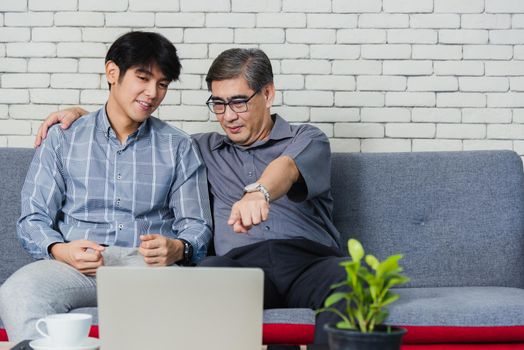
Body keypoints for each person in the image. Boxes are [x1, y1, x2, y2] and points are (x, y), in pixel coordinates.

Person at [33, 48, 346, 346]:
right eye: (219, 104)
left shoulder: (308, 138)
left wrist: (260, 193)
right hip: (239, 268)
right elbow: (138, 142)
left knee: (349, 284)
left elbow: (287, 167)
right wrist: (85, 118)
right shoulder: (199, 149)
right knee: (204, 279)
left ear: (267, 94)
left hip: (312, 263)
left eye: (238, 102)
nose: (228, 116)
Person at [0, 31, 212, 342]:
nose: (152, 92)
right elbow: (33, 219)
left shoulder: (178, 146)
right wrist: (60, 250)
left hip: (147, 269)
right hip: (75, 267)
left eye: (162, 84)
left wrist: (178, 247)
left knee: (190, 306)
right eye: (143, 77)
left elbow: (196, 226)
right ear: (112, 73)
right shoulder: (64, 138)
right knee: (18, 291)